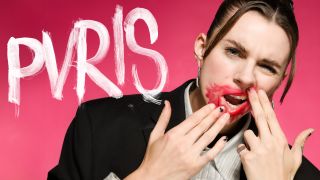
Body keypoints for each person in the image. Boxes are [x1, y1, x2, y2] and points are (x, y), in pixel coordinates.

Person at [48, 0, 320, 179]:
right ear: (202, 48)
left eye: (267, 67)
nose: (246, 77)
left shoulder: (297, 174)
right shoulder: (99, 126)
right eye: (234, 51)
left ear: (279, 81)